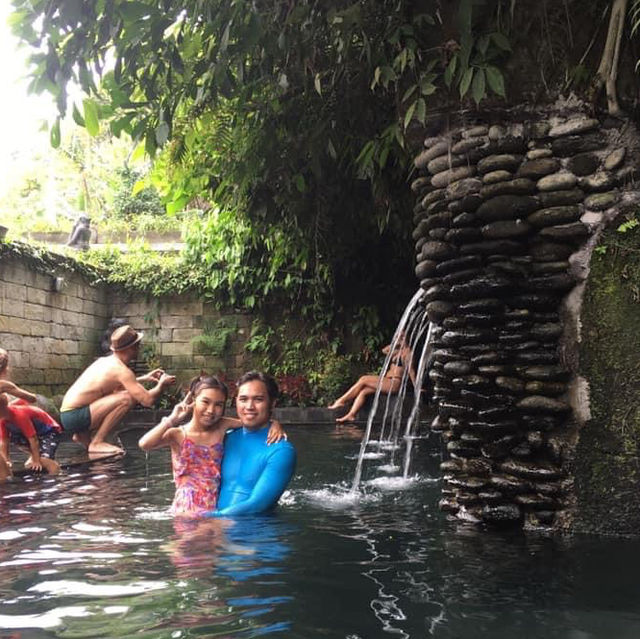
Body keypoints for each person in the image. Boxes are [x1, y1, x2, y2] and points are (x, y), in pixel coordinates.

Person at [138, 374, 286, 516]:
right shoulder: (177, 434)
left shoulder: (222, 426)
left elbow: (252, 421)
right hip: (186, 506)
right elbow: (145, 444)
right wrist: (171, 419)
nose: (211, 410)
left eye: (218, 405)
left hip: (214, 504)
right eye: (205, 402)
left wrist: (274, 423)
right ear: (193, 399)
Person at [60, 325, 176, 454]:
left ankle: (82, 436)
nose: (139, 347)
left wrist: (145, 378)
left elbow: (113, 384)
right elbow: (147, 400)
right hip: (76, 416)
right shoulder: (121, 371)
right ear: (132, 347)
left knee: (119, 393)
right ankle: (97, 442)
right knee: (127, 398)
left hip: (68, 415)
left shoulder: (106, 362)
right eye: (138, 344)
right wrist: (162, 385)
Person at [208, 371, 297, 517]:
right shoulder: (225, 438)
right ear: (235, 401)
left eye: (258, 399)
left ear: (272, 403)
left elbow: (257, 505)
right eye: (243, 399)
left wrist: (205, 520)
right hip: (215, 528)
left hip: (255, 533)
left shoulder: (281, 451)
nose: (249, 406)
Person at [328, 334, 415, 423]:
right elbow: (384, 350)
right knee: (364, 391)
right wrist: (396, 343)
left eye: (402, 336)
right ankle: (351, 415)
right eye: (398, 336)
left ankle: (341, 401)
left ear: (407, 337)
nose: (400, 338)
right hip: (388, 381)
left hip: (395, 383)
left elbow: (411, 371)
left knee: (363, 379)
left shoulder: (408, 353)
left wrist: (417, 387)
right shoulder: (396, 351)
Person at [0, 394, 62, 475]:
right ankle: (35, 456)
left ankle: (56, 473)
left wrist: (36, 461)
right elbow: (4, 441)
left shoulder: (19, 416)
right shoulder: (3, 420)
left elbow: (33, 439)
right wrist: (6, 460)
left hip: (49, 431)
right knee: (29, 464)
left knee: (44, 461)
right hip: (33, 433)